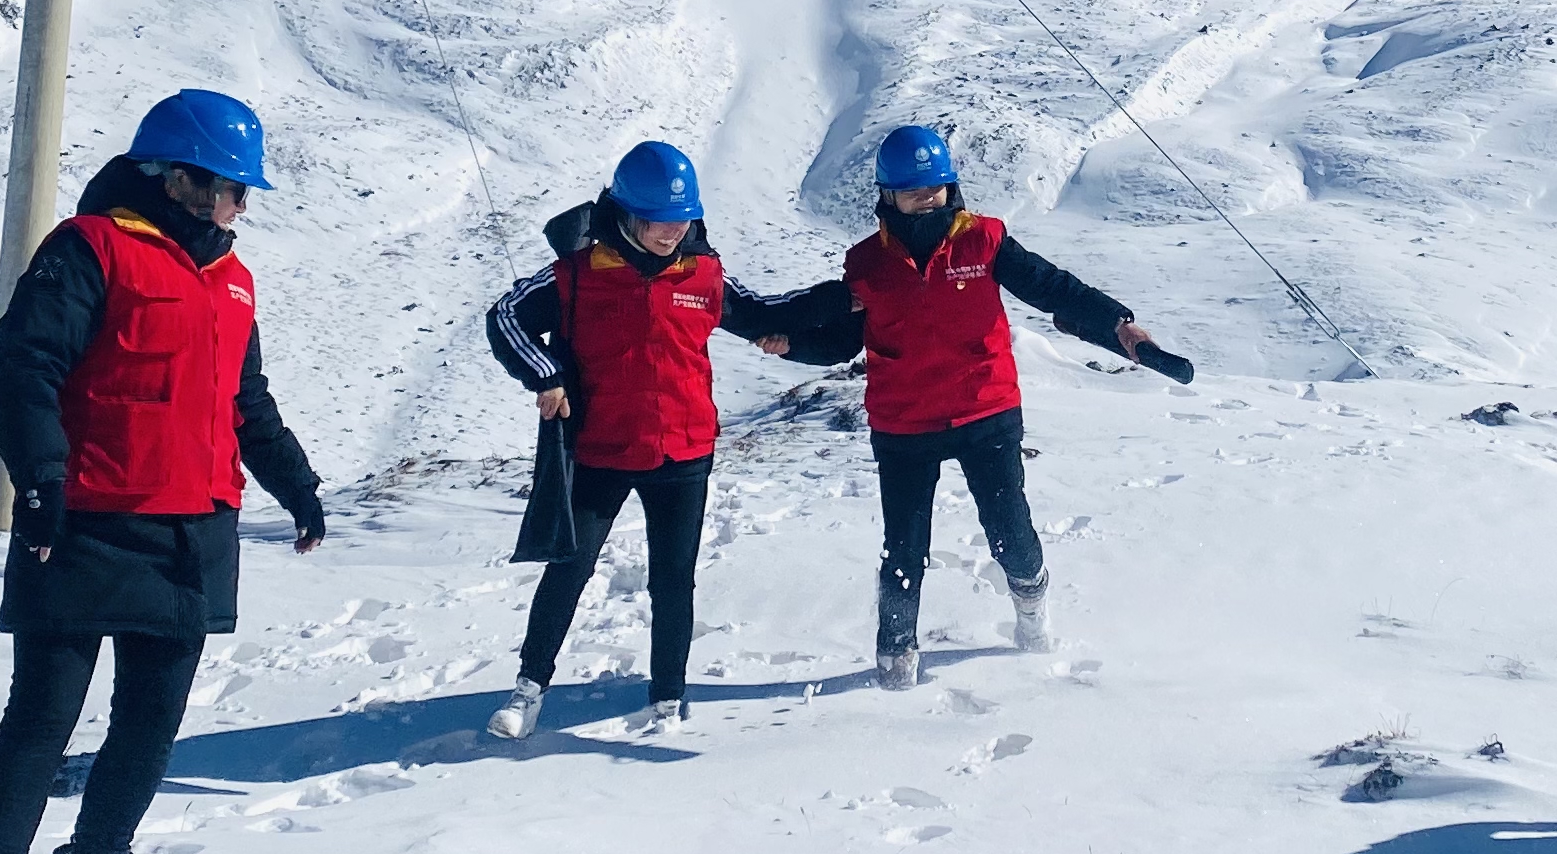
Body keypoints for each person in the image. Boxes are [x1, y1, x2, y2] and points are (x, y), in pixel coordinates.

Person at [0, 89, 324, 854]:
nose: (242, 206)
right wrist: (39, 482)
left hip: (194, 530)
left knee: (153, 717)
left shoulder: (232, 281)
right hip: (82, 523)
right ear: (179, 179)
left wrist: (298, 488)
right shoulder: (90, 251)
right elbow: (22, 373)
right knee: (44, 717)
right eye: (233, 188)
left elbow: (247, 404)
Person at [777, 124, 1177, 688]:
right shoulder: (866, 263)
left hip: (983, 411)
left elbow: (1053, 288)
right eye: (913, 189)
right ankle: (895, 659)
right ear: (887, 195)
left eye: (936, 186)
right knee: (903, 548)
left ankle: (1032, 608)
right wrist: (792, 345)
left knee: (1010, 530)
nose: (927, 197)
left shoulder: (983, 240)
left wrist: (1118, 324)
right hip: (904, 422)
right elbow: (846, 338)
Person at [476, 141, 812, 740]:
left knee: (673, 579)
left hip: (684, 453)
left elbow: (758, 312)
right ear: (626, 213)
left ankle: (667, 700)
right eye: (657, 219)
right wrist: (545, 375)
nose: (669, 232)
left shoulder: (703, 274)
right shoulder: (578, 275)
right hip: (601, 451)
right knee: (568, 569)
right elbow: (505, 318)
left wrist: (835, 310)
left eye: (681, 219)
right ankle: (528, 691)